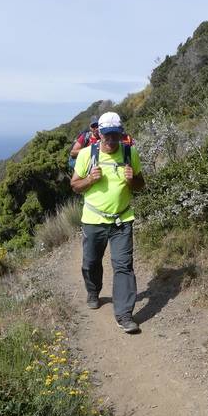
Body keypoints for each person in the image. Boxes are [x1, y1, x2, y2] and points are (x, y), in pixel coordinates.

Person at [71, 111, 145, 334]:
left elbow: (141, 185)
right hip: (94, 220)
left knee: (123, 266)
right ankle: (93, 291)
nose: (111, 141)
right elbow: (74, 185)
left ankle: (124, 315)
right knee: (91, 262)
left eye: (116, 136)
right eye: (107, 136)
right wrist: (90, 179)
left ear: (121, 134)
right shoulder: (86, 155)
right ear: (99, 134)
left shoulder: (129, 152)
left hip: (122, 220)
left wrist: (133, 180)